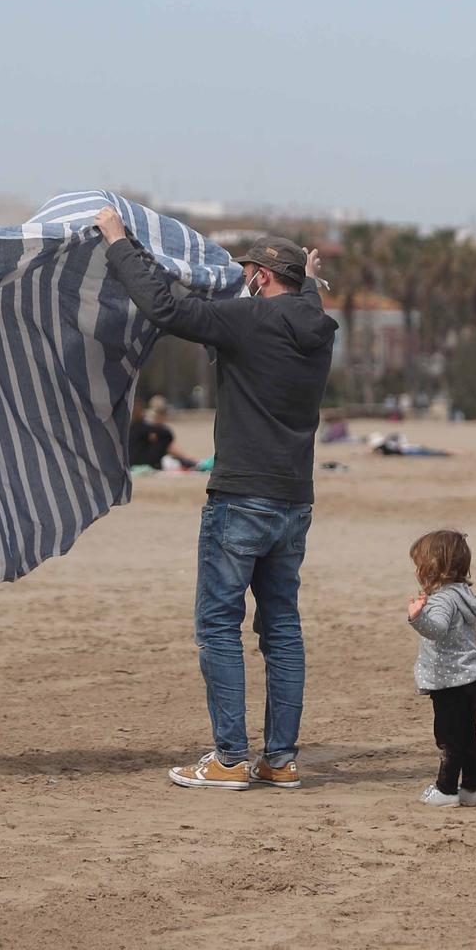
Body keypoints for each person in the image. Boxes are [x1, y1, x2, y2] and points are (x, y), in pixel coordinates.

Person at [95, 209, 337, 791]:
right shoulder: (317, 327)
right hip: (293, 502)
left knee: (219, 625)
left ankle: (229, 758)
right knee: (281, 628)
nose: (242, 279)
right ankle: (279, 760)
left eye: (248, 271)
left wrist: (117, 241)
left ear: (260, 278)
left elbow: (167, 308)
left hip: (241, 500)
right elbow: (301, 305)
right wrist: (302, 280)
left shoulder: (251, 321)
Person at [406, 530, 476, 808]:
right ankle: (472, 789)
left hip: (451, 683)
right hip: (473, 678)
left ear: (432, 569)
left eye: (419, 565)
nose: (417, 572)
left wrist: (417, 618)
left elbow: (438, 630)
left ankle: (445, 789)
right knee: (469, 737)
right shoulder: (463, 594)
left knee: (449, 740)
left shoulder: (442, 599)